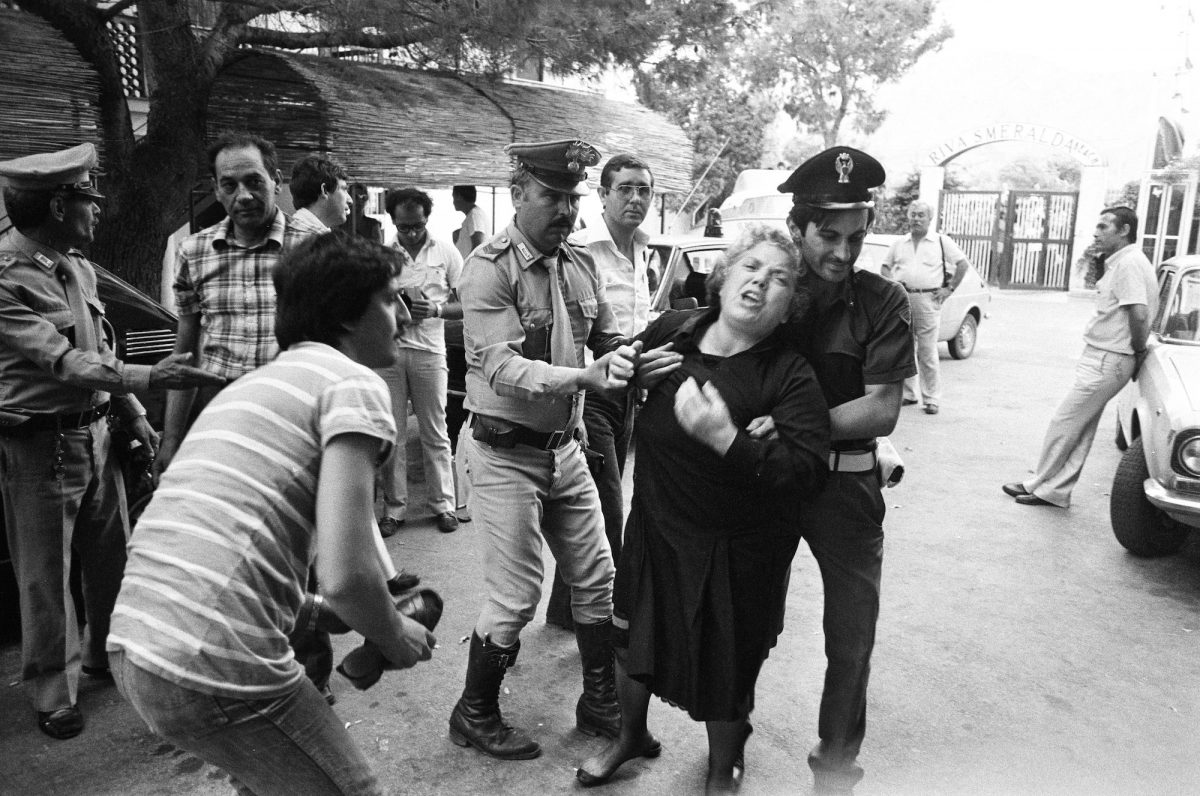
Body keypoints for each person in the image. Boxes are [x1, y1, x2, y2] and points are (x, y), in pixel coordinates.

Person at [107, 234, 435, 795]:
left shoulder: (254, 386)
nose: (404, 315)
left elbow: (226, 549)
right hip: (214, 662)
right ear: (346, 315)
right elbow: (350, 576)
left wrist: (314, 613)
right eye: (389, 299)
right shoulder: (352, 382)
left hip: (138, 648)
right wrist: (395, 635)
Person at [576, 225, 830, 793]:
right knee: (628, 638)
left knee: (727, 662)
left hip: (735, 549)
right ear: (725, 275)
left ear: (791, 306)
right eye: (751, 268)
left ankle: (723, 766)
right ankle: (630, 736)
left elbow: (806, 472)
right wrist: (627, 374)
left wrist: (728, 440)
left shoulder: (789, 374)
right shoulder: (676, 330)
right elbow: (615, 375)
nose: (761, 283)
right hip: (656, 526)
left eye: (780, 279)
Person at [0, 143, 223, 739]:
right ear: (57, 205)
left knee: (111, 562)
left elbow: (103, 356)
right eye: (88, 200)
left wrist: (135, 417)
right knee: (47, 578)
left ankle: (105, 657)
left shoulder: (76, 266)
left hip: (94, 434)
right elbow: (65, 362)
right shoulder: (6, 278)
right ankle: (53, 690)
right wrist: (155, 379)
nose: (97, 211)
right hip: (38, 446)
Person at [450, 139, 640, 760]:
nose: (565, 209)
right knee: (516, 596)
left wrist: (648, 350)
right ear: (520, 193)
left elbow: (608, 335)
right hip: (503, 452)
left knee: (596, 577)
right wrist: (584, 378)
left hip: (564, 447)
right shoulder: (488, 268)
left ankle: (598, 701)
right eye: (552, 196)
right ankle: (473, 713)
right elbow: (501, 366)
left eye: (572, 197)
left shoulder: (578, 265)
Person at [776, 147, 916, 793]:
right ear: (798, 227)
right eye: (827, 235)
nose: (841, 251)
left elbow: (883, 408)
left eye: (855, 237)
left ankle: (835, 771)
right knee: (746, 621)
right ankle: (728, 745)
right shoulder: (769, 289)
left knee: (851, 641)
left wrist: (796, 422)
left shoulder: (884, 300)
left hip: (847, 485)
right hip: (770, 481)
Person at [546, 152, 656, 631]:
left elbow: (641, 323)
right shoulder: (582, 251)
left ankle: (563, 612)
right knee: (608, 513)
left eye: (644, 190)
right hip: (590, 396)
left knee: (594, 513)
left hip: (629, 394)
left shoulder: (645, 251)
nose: (635, 198)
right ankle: (602, 620)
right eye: (625, 188)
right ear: (604, 195)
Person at [1003, 206, 1157, 508]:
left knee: (1065, 420)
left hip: (1109, 357)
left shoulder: (1128, 264)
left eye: (1104, 227)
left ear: (1124, 230)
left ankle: (1039, 482)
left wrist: (1139, 351)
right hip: (1105, 355)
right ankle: (1054, 490)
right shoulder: (1122, 262)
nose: (1096, 232)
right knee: (1081, 426)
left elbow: (1138, 315)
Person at [375, 187, 463, 536]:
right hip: (390, 352)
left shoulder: (445, 252)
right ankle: (394, 511)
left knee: (435, 431)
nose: (411, 233)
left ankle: (444, 505)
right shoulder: (383, 254)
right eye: (404, 226)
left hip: (430, 350)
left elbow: (468, 302)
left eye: (417, 226)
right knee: (392, 433)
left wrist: (437, 309)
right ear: (393, 221)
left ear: (427, 219)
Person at [880, 200, 969, 415]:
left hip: (928, 300)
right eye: (913, 214)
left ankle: (931, 399)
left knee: (927, 351)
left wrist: (948, 290)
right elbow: (885, 267)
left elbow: (962, 264)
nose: (916, 219)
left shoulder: (940, 242)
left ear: (930, 219)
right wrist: (893, 285)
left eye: (921, 215)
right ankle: (909, 394)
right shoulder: (899, 243)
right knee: (905, 348)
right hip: (902, 300)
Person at [290, 154, 352, 231]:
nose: (350, 200)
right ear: (325, 190)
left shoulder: (300, 230)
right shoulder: (307, 239)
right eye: (344, 189)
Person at [452, 184, 490, 261]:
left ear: (459, 196)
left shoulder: (475, 215)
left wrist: (470, 265)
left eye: (454, 197)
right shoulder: (473, 215)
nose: (453, 202)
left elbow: (478, 245)